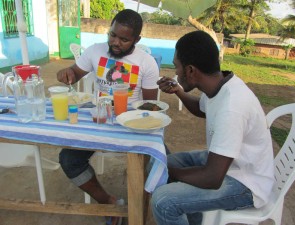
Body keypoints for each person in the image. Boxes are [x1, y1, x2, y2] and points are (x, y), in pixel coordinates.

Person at [151, 30, 274, 225]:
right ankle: (195, 219)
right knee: (161, 163)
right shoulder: (220, 85)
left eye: (177, 67)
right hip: (230, 164)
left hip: (246, 183)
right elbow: (202, 109)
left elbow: (212, 178)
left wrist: (170, 173)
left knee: (163, 200)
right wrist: (178, 92)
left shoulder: (232, 107)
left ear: (191, 70)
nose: (175, 73)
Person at [56, 9, 159, 225]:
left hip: (131, 125)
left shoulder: (147, 62)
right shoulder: (95, 51)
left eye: (123, 39)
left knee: (159, 160)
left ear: (136, 40)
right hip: (100, 119)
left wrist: (135, 121)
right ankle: (109, 203)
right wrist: (67, 73)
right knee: (69, 159)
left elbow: (150, 107)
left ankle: (141, 209)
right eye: (112, 35)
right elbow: (74, 72)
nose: (115, 42)